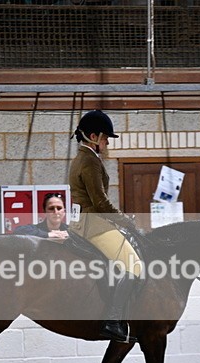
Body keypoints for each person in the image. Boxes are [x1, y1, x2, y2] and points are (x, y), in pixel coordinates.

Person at [69, 110, 141, 343]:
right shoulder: (89, 160)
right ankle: (112, 320)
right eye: (105, 138)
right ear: (93, 136)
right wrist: (125, 220)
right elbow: (100, 202)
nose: (107, 142)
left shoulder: (80, 158)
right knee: (135, 266)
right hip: (95, 224)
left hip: (81, 223)